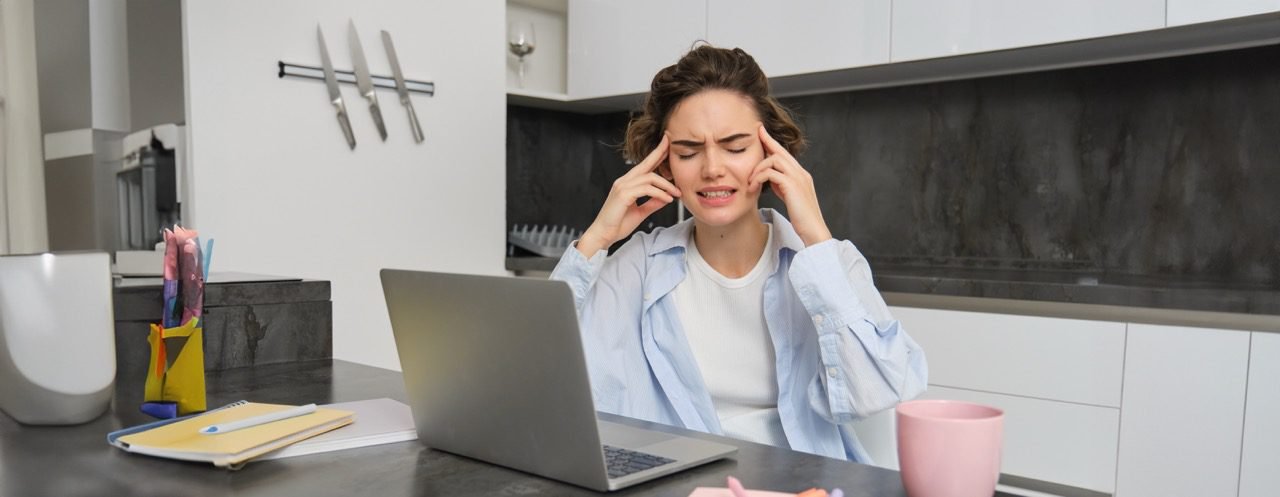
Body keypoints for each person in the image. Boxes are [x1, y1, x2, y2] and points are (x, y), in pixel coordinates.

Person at [550, 45, 927, 463]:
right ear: (665, 164)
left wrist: (816, 237)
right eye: (689, 152)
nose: (712, 168)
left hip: (803, 486)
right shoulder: (638, 266)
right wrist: (597, 238)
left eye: (735, 147)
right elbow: (545, 378)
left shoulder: (830, 263)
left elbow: (876, 392)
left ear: (770, 152)